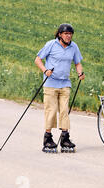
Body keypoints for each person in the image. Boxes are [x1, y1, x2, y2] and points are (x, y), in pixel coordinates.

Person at [34, 23, 85, 153]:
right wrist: (45, 70)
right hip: (50, 83)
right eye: (66, 34)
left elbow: (77, 63)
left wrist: (80, 73)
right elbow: (38, 59)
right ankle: (48, 138)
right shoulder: (51, 44)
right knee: (51, 110)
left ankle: (65, 137)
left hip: (65, 83)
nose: (68, 36)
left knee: (64, 111)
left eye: (70, 34)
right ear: (60, 34)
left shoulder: (74, 47)